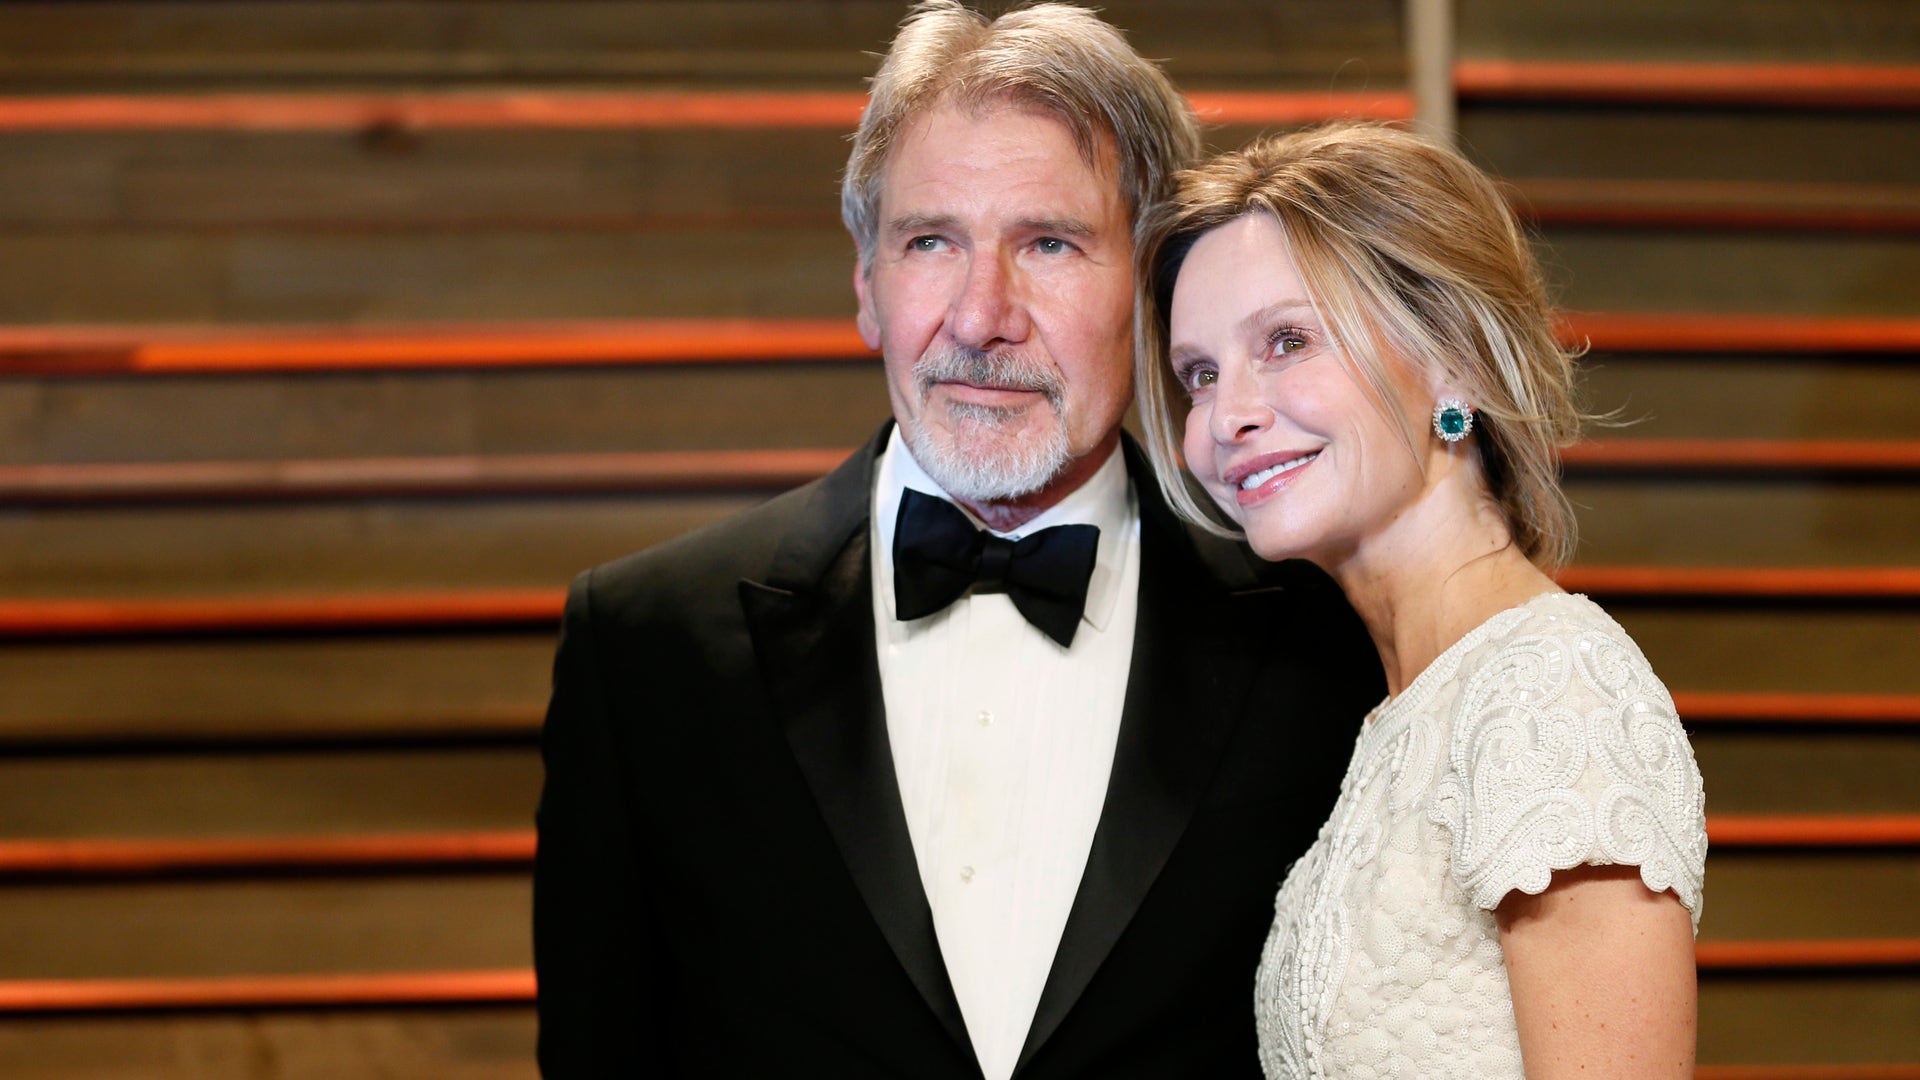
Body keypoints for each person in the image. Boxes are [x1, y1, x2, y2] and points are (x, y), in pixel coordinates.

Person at [533, 4, 1382, 1078]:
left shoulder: (1324, 635)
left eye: (1049, 243)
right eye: (930, 241)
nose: (981, 317)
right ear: (866, 287)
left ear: (1152, 290)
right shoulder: (646, 644)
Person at [1137, 121, 1709, 1078]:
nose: (1223, 418)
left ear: (1455, 361)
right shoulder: (1405, 708)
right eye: (1199, 374)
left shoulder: (1549, 694)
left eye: (1286, 341)